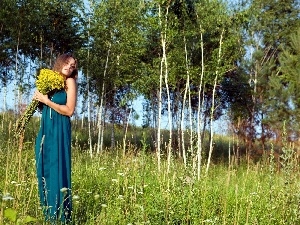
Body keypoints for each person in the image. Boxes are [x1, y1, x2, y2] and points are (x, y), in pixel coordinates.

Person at [33, 53, 77, 224]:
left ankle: (60, 217)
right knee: (43, 167)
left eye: (73, 65)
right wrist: (38, 100)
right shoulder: (50, 81)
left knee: (58, 167)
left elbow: (69, 110)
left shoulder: (69, 82)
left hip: (59, 128)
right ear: (60, 63)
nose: (70, 67)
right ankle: (48, 215)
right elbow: (42, 108)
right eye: (67, 63)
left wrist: (46, 100)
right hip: (46, 128)